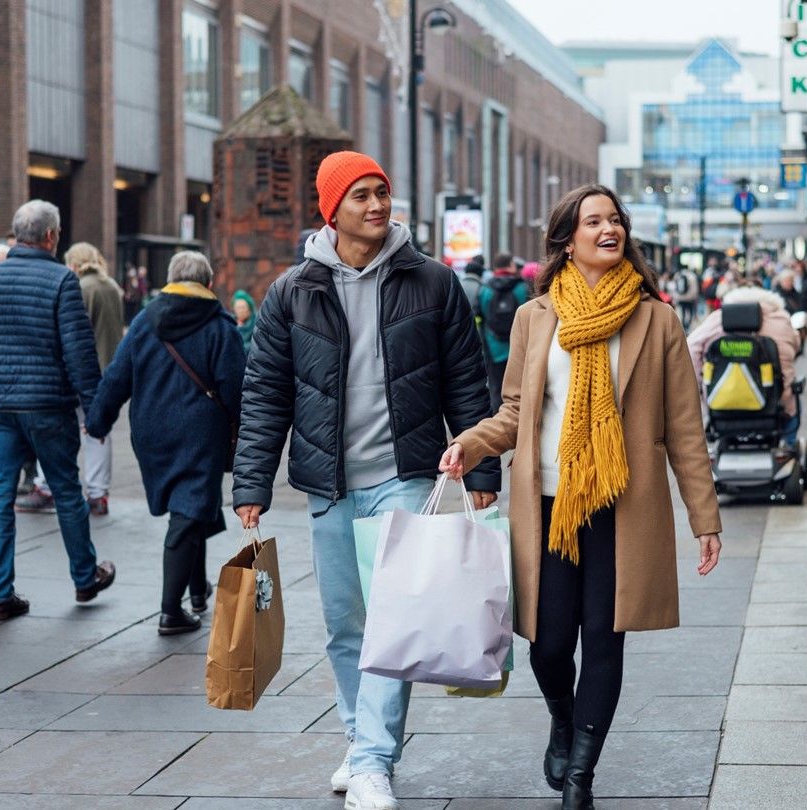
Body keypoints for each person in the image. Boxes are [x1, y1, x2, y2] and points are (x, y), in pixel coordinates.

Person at [439, 183, 723, 810]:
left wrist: (705, 517)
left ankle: (581, 775)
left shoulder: (658, 320)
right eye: (594, 221)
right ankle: (562, 721)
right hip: (546, 502)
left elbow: (684, 428)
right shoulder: (536, 316)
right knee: (547, 642)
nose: (609, 229)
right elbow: (515, 409)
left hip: (623, 506)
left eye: (615, 219)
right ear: (567, 239)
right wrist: (473, 443)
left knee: (604, 634)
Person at [231, 150, 499, 810]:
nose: (378, 205)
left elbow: (468, 380)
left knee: (393, 620)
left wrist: (482, 461)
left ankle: (376, 758)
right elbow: (265, 393)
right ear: (332, 209)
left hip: (405, 475)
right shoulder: (293, 292)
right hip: (328, 483)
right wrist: (251, 484)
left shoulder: (432, 282)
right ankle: (357, 740)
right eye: (361, 195)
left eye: (382, 192)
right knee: (344, 625)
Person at [0, 200, 116, 622]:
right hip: (48, 407)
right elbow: (80, 354)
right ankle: (84, 577)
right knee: (66, 492)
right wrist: (95, 414)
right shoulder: (62, 281)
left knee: (1, 496)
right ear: (50, 237)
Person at [86, 252, 245, 635]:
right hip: (200, 434)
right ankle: (171, 611)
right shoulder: (220, 325)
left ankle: (197, 589)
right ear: (208, 284)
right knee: (188, 512)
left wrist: (98, 421)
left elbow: (116, 377)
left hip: (151, 433)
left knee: (189, 507)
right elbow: (236, 387)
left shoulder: (144, 321)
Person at [17, 242, 124, 517]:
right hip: (108, 373)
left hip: (80, 375)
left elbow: (72, 335)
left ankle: (46, 487)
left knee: (56, 427)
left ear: (73, 263)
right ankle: (99, 494)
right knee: (98, 434)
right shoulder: (111, 286)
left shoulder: (79, 287)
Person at [687, 285, 803, 449]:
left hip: (721, 405)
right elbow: (796, 346)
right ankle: (789, 446)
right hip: (775, 405)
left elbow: (690, 347)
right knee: (793, 401)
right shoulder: (781, 319)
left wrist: (701, 386)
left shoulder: (718, 319)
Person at [481, 252, 529, 410]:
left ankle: (499, 421)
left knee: (496, 389)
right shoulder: (523, 288)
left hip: (493, 348)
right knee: (522, 391)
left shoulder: (485, 290)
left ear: (495, 267)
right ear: (512, 266)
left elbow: (478, 317)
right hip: (520, 349)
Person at [231, 289, 257, 357]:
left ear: (249, 308)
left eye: (243, 307)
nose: (241, 311)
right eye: (238, 308)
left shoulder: (256, 323)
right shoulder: (230, 323)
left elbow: (257, 345)